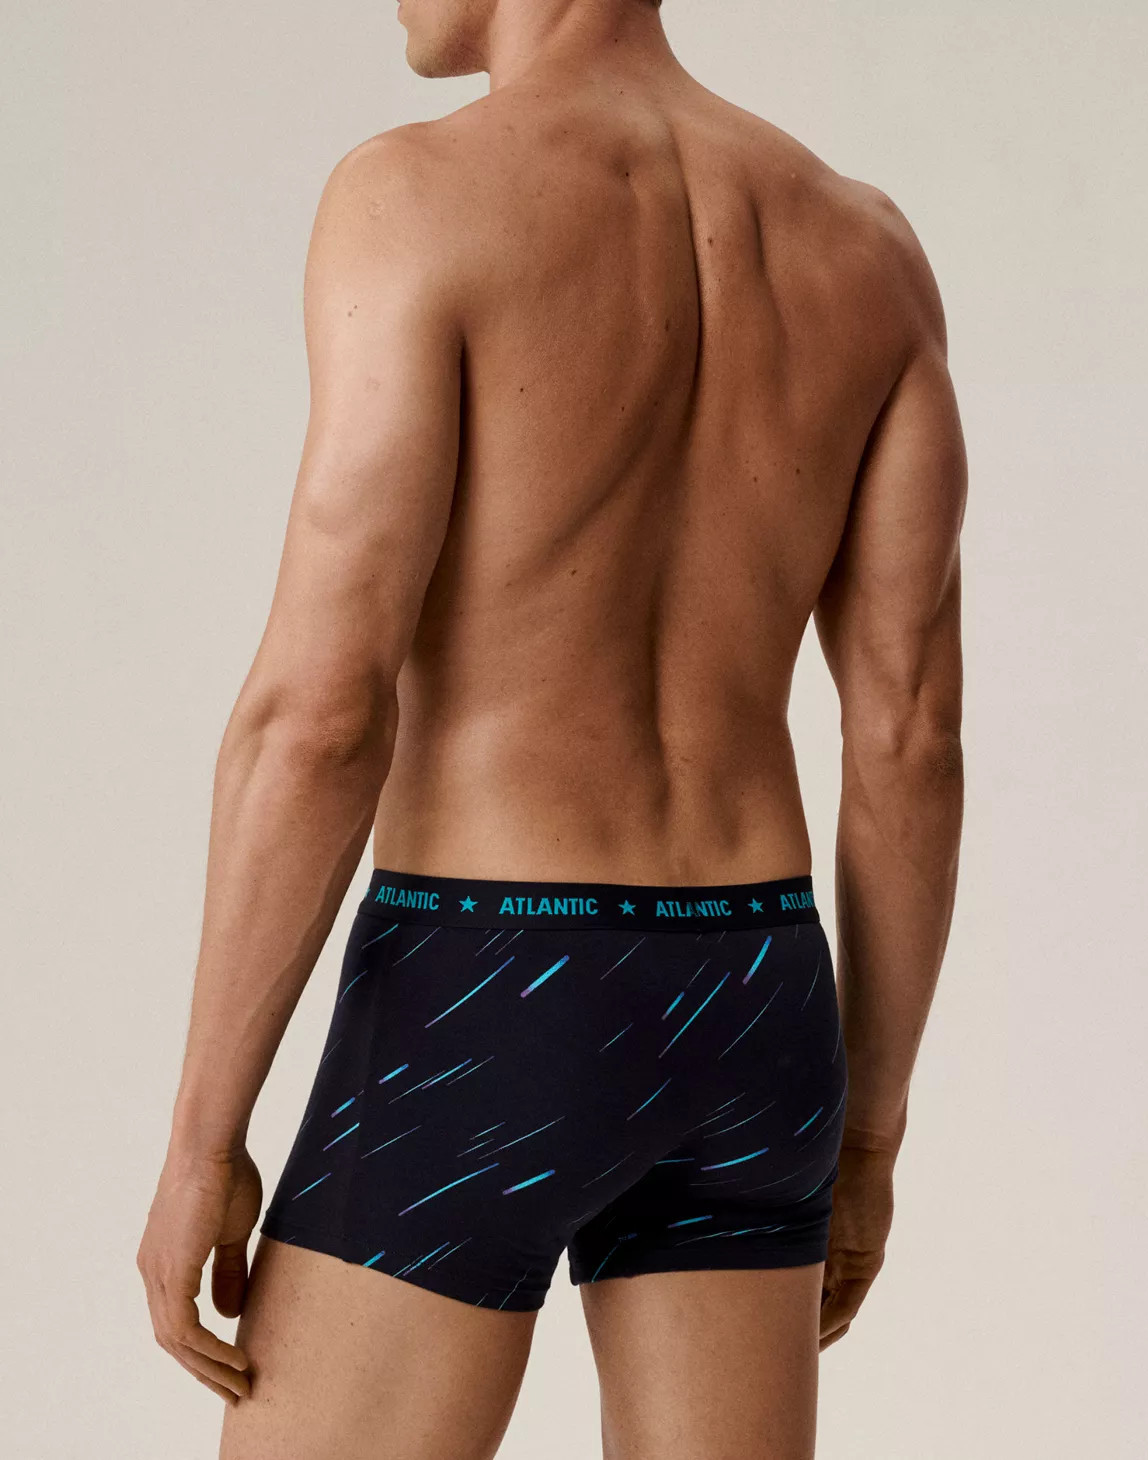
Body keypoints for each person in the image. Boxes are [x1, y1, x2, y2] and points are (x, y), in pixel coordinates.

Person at [136, 0, 967, 1455]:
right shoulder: (866, 247)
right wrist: (868, 1131)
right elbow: (909, 739)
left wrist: (205, 1135)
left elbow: (320, 713)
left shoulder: (415, 196)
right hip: (759, 998)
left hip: (495, 984)